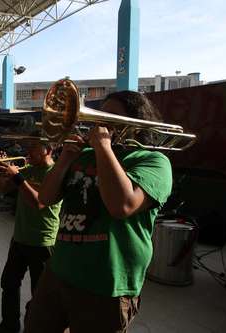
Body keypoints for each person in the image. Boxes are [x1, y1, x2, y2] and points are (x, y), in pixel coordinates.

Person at [24, 91, 173, 333]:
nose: (100, 122)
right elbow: (46, 198)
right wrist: (64, 160)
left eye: (111, 116)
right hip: (59, 271)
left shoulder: (153, 161)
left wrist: (104, 147)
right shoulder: (83, 154)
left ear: (135, 123)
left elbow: (122, 206)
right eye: (100, 114)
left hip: (107, 285)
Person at [0, 142, 62, 333]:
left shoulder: (55, 174)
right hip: (20, 238)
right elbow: (3, 189)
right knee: (9, 284)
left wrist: (19, 178)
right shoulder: (28, 169)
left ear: (48, 149)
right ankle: (9, 325)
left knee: (39, 294)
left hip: (43, 242)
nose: (27, 151)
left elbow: (39, 203)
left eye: (33, 147)